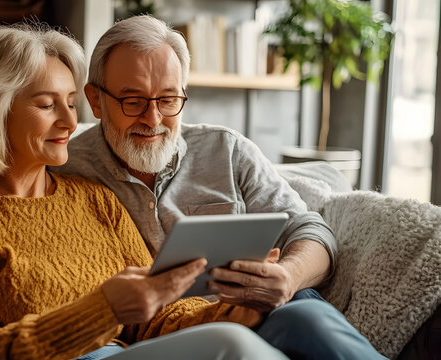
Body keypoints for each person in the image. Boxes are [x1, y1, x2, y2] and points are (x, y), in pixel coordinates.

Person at [0, 24, 290, 360]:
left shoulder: (93, 197)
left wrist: (238, 309)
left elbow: (160, 317)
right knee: (231, 346)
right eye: (47, 104)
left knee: (253, 330)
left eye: (71, 103)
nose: (71, 121)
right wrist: (104, 310)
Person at [54, 15, 387, 359]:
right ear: (95, 101)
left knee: (307, 316)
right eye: (133, 101)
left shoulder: (226, 150)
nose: (152, 120)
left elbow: (311, 231)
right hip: (160, 338)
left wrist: (287, 277)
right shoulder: (64, 169)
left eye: (168, 99)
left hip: (258, 312)